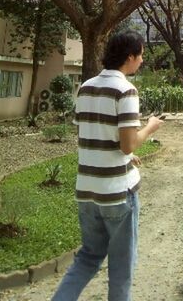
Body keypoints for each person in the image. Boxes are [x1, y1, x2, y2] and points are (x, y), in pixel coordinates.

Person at [52, 31, 162, 301]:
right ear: (130, 57)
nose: (142, 60)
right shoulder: (126, 89)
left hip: (87, 190)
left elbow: (91, 136)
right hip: (117, 193)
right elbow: (128, 144)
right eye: (141, 55)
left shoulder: (86, 86)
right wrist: (150, 127)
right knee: (122, 268)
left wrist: (125, 156)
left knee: (88, 257)